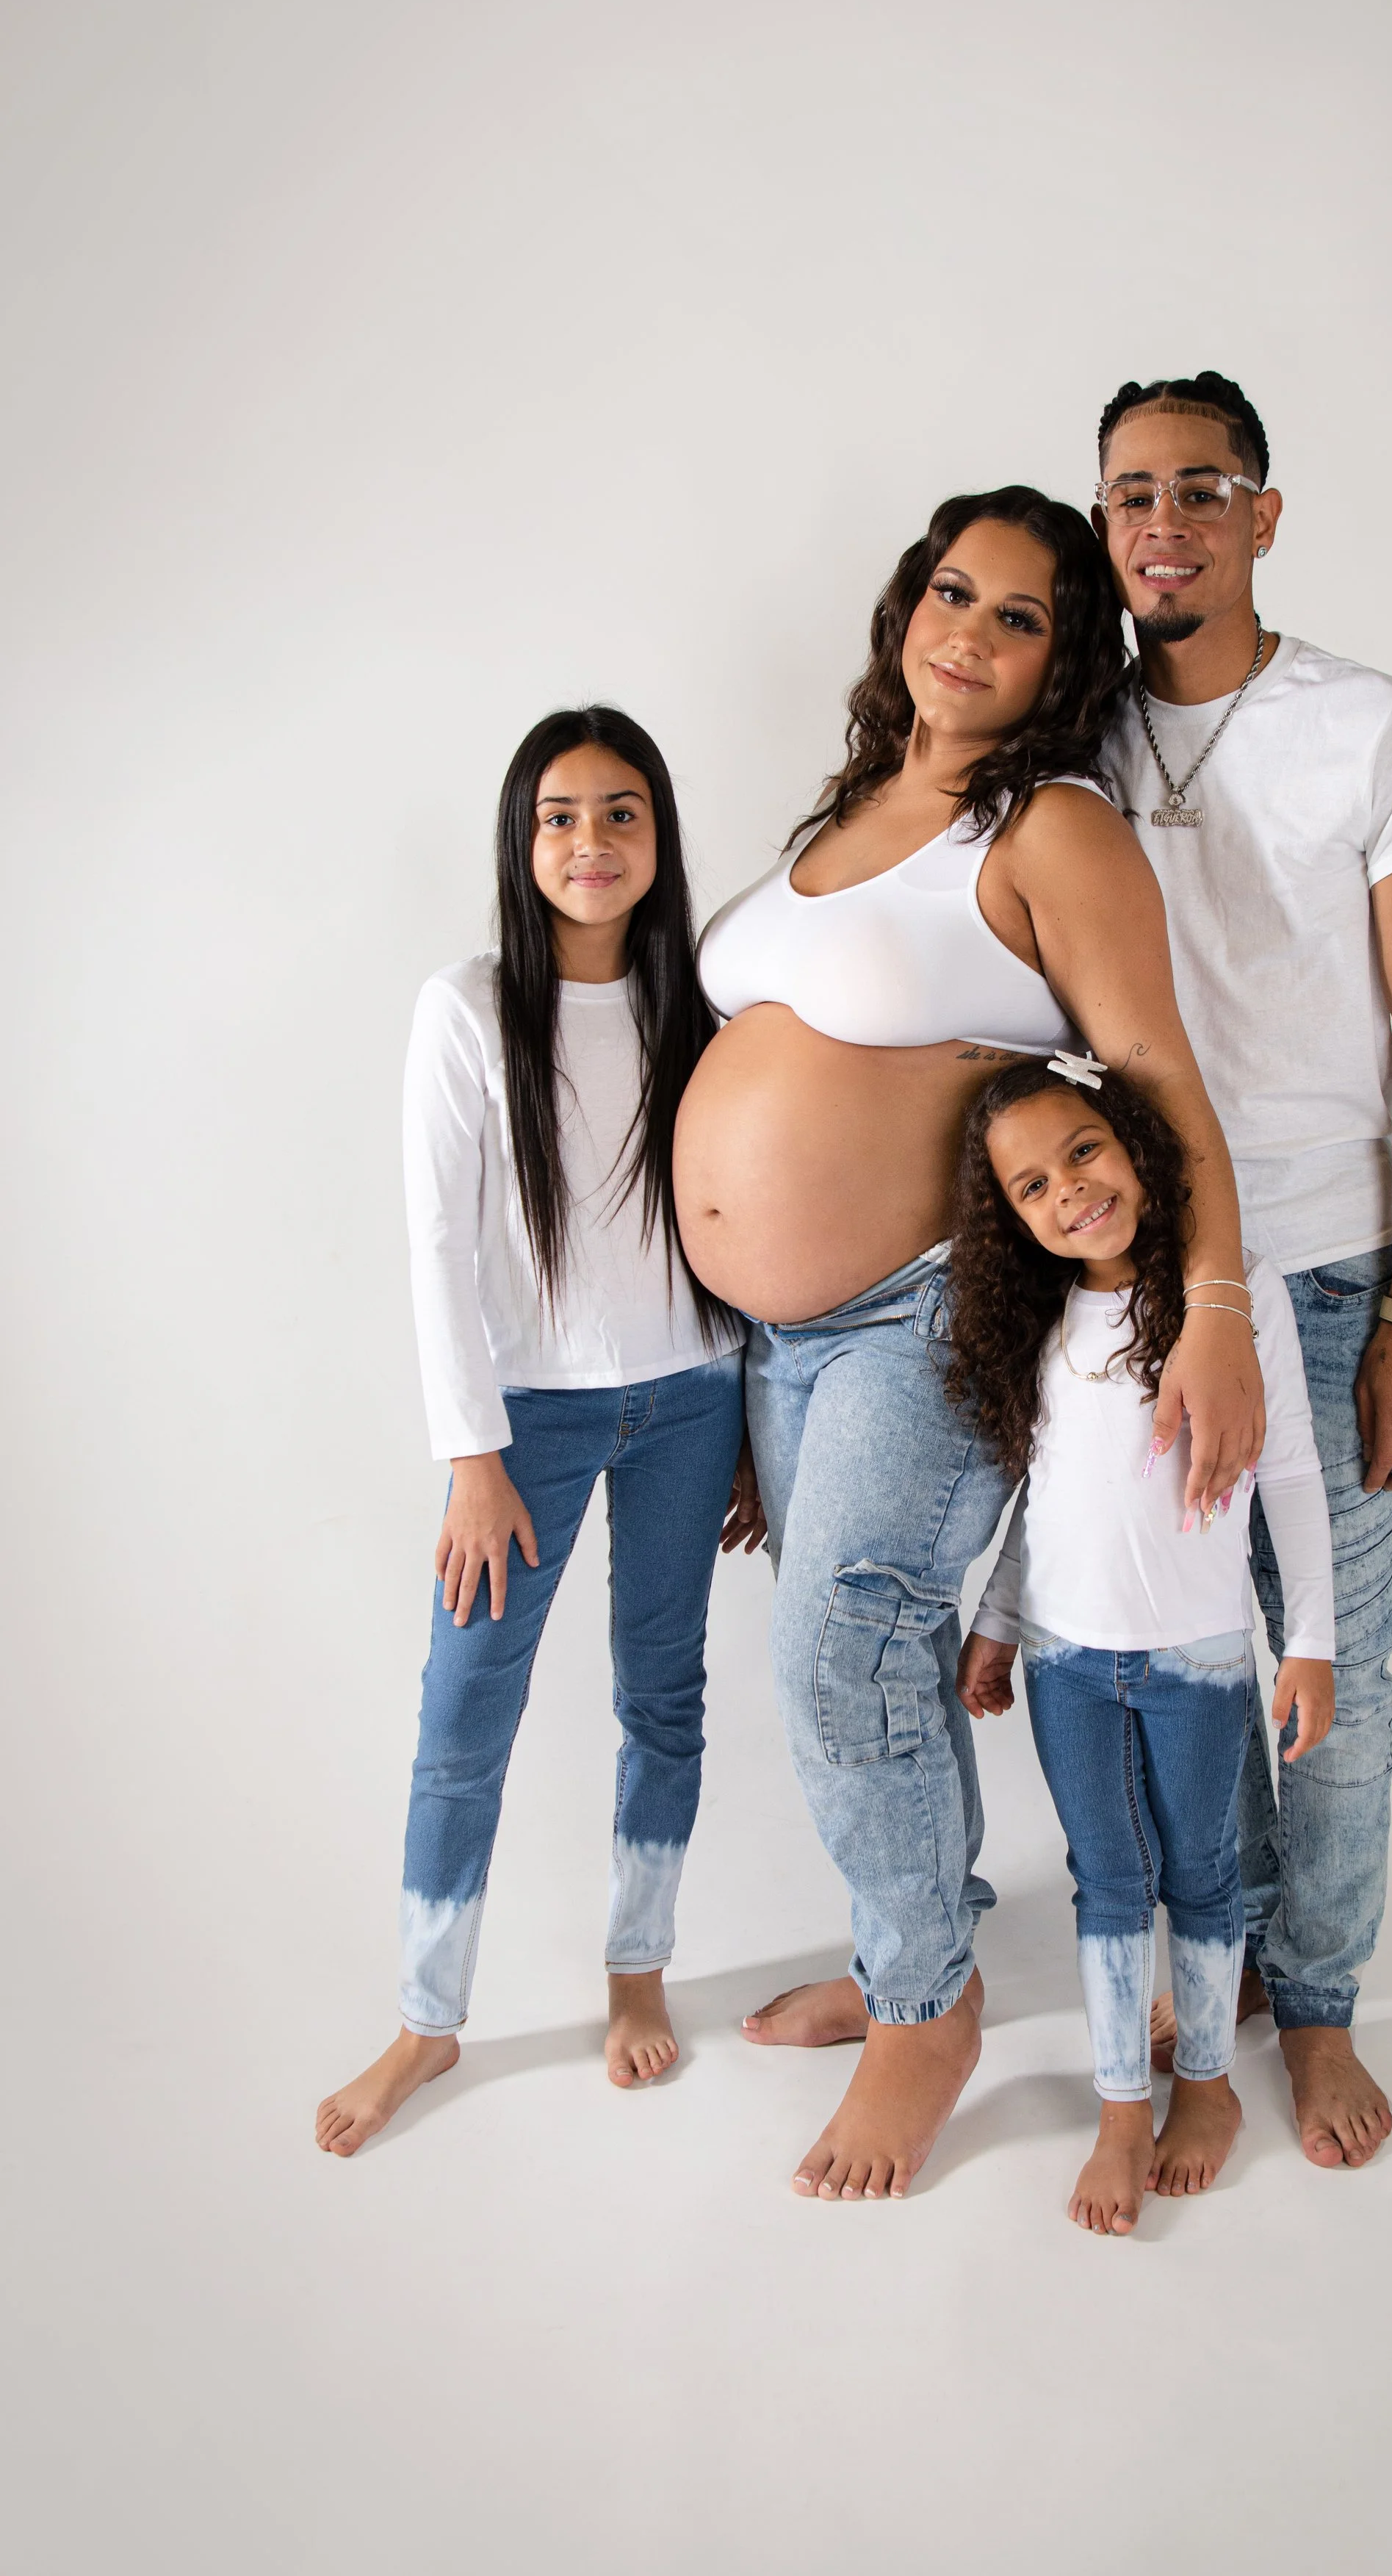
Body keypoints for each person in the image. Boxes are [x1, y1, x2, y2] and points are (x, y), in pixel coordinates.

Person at [677, 486, 1266, 2201]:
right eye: (951, 592)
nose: (969, 633)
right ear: (903, 606)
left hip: (931, 1299)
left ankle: (922, 2016)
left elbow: (1161, 1085)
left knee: (839, 1645)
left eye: (1019, 617)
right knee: (865, 1651)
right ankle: (901, 1946)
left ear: (1063, 661)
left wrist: (1208, 1314)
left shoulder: (1052, 829)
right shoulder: (853, 805)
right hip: (778, 1338)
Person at [1092, 373, 1392, 2169]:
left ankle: (1313, 2005)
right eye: (1127, 495)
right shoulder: (1073, 733)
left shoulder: (1376, 725)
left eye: (1199, 486)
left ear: (1263, 513)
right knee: (1166, 1652)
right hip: (1124, 1284)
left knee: (1333, 1661)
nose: (1158, 521)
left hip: (1326, 1276)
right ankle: (1215, 1950)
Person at [316, 708, 762, 2159]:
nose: (590, 841)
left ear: (659, 838)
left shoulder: (699, 1004)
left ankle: (637, 1973)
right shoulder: (464, 1008)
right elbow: (434, 1242)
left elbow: (737, 1220)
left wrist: (750, 1414)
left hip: (693, 1398)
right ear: (522, 844)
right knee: (463, 1720)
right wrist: (470, 1456)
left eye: (621, 812)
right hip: (528, 1425)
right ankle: (426, 2020)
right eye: (559, 816)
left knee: (663, 1697)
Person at [948, 1057, 1335, 2234]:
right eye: (1031, 1187)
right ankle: (1123, 2108)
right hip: (1070, 1664)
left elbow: (1294, 1476)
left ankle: (1206, 2088)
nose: (1069, 1191)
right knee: (1109, 1881)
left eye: (1082, 1151)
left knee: (1207, 1874)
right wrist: (1000, 1623)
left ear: (1132, 1142)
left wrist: (1308, 1642)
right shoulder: (1046, 1321)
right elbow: (1044, 1496)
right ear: (1012, 1219)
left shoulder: (1233, 1295)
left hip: (1199, 1661)